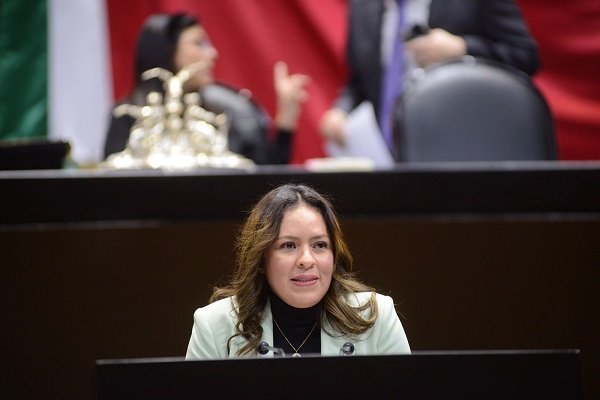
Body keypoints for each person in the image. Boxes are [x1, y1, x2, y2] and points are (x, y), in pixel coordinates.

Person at [185, 183, 410, 358]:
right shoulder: (214, 325)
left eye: (319, 245)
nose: (306, 260)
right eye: (288, 245)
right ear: (261, 258)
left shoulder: (376, 316)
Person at [320, 0, 540, 151]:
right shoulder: (362, 6)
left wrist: (462, 48)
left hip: (463, 147)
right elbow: (359, 81)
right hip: (384, 153)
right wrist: (342, 110)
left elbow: (525, 56)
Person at [104, 13, 310, 164]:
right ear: (165, 51)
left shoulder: (222, 112)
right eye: (198, 43)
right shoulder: (128, 114)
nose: (212, 53)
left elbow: (266, 177)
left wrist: (287, 114)